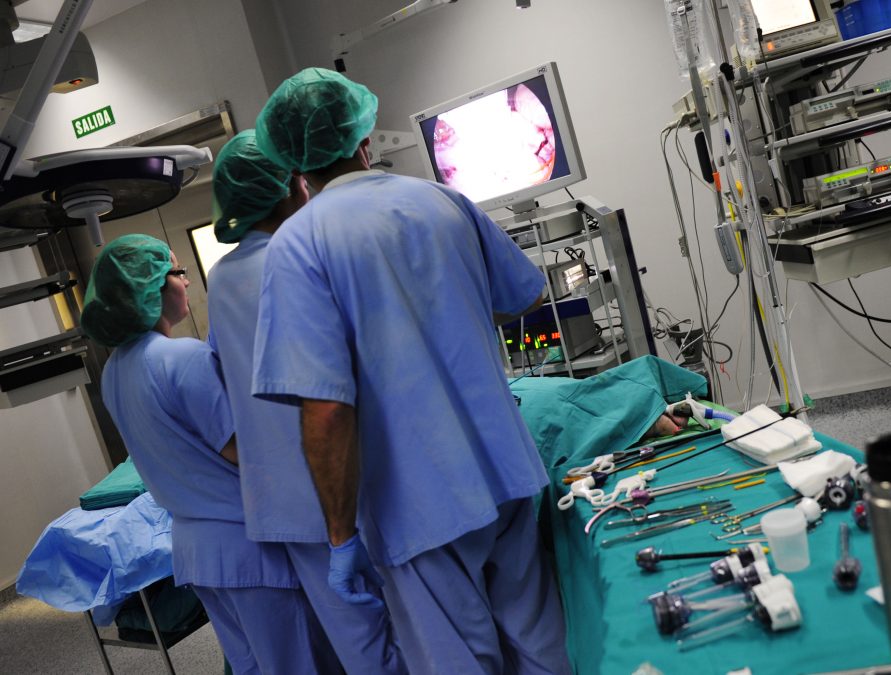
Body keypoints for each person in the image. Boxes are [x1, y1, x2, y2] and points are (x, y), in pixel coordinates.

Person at [251, 67, 572, 675]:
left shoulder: (299, 245)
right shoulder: (442, 201)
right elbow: (525, 294)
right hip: (504, 470)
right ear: (363, 137)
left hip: (420, 504)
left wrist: (341, 537)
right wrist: (444, 307)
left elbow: (325, 409)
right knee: (542, 651)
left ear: (292, 163)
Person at [82, 234, 341, 675]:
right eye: (177, 272)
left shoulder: (114, 372)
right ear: (149, 287)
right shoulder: (181, 358)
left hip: (195, 554)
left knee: (252, 667)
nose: (186, 282)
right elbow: (246, 451)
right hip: (246, 547)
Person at [207, 130, 403, 673]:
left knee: (358, 643)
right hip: (346, 481)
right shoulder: (305, 252)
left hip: (284, 503)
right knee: (416, 628)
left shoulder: (220, 279)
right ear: (289, 185)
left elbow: (225, 371)